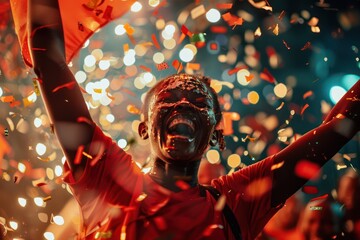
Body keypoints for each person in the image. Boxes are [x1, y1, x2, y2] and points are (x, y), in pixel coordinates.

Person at [10, 0, 360, 239]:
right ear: (144, 128)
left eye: (198, 101)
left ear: (215, 134)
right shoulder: (105, 175)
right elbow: (50, 62)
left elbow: (335, 130)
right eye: (169, 99)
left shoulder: (235, 205)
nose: (183, 105)